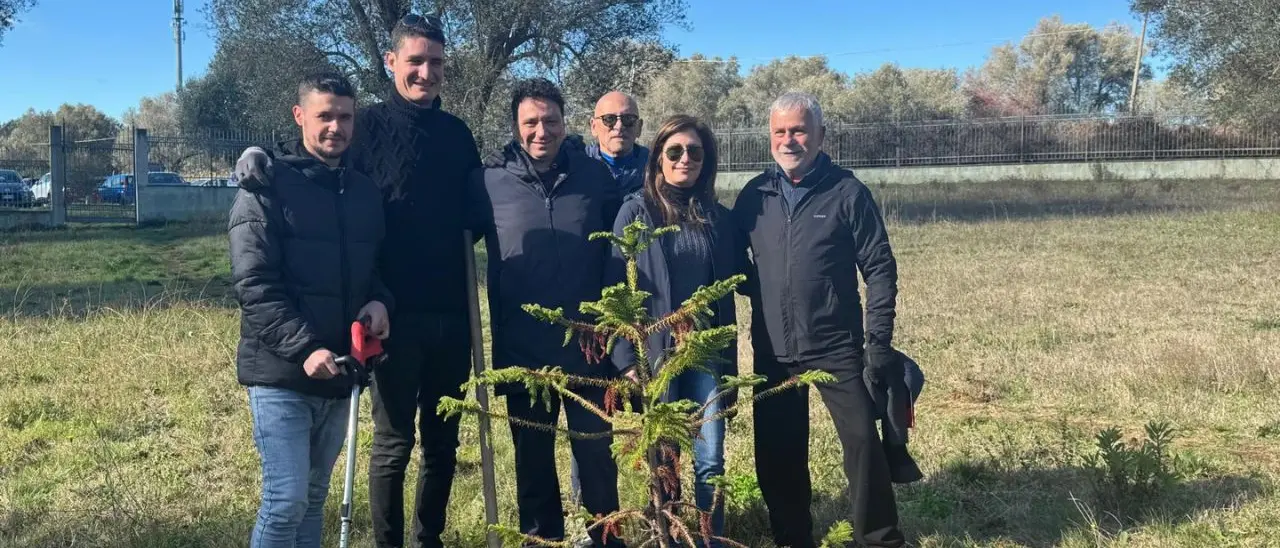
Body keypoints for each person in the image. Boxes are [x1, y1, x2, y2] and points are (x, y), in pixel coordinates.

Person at [232, 14, 482, 548]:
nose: (426, 72)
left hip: (449, 314)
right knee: (393, 444)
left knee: (443, 443)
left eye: (436, 62)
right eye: (415, 60)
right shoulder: (362, 125)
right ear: (391, 61)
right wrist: (258, 156)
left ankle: (427, 540)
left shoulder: (459, 136)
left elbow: (485, 203)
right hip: (387, 319)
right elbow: (311, 156)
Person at [732, 91, 910, 548]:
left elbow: (880, 268)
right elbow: (732, 263)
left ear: (819, 135)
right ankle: (792, 538)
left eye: (799, 130)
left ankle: (880, 538)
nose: (789, 139)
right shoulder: (755, 195)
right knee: (777, 452)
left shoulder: (847, 192)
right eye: (780, 131)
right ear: (768, 137)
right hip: (773, 347)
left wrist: (879, 342)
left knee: (863, 445)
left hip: (837, 345)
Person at [228, 72, 392, 548]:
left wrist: (381, 302)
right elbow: (254, 284)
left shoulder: (363, 192)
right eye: (324, 116)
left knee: (314, 498)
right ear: (300, 116)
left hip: (341, 373)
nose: (334, 127)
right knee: (285, 501)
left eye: (344, 117)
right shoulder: (264, 188)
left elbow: (376, 268)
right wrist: (304, 348)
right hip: (282, 374)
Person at [467, 78, 624, 547]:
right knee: (532, 463)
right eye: (530, 122)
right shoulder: (488, 182)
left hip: (590, 351)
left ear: (565, 122)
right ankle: (543, 541)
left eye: (550, 121)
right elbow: (440, 229)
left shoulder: (595, 180)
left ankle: (606, 539)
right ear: (516, 128)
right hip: (523, 351)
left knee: (597, 458)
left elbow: (621, 248)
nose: (542, 131)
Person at [608, 115, 738, 546]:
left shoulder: (716, 216)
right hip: (656, 354)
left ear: (706, 160)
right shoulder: (635, 212)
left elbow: (741, 275)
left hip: (705, 356)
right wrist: (626, 359)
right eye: (675, 151)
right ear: (658, 157)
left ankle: (707, 539)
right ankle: (667, 535)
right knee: (664, 458)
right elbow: (615, 290)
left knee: (710, 457)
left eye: (695, 152)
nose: (685, 159)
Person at [585, 91, 648, 195]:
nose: (619, 126)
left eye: (628, 119)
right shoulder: (574, 169)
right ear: (594, 126)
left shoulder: (658, 170)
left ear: (639, 127)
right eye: (609, 119)